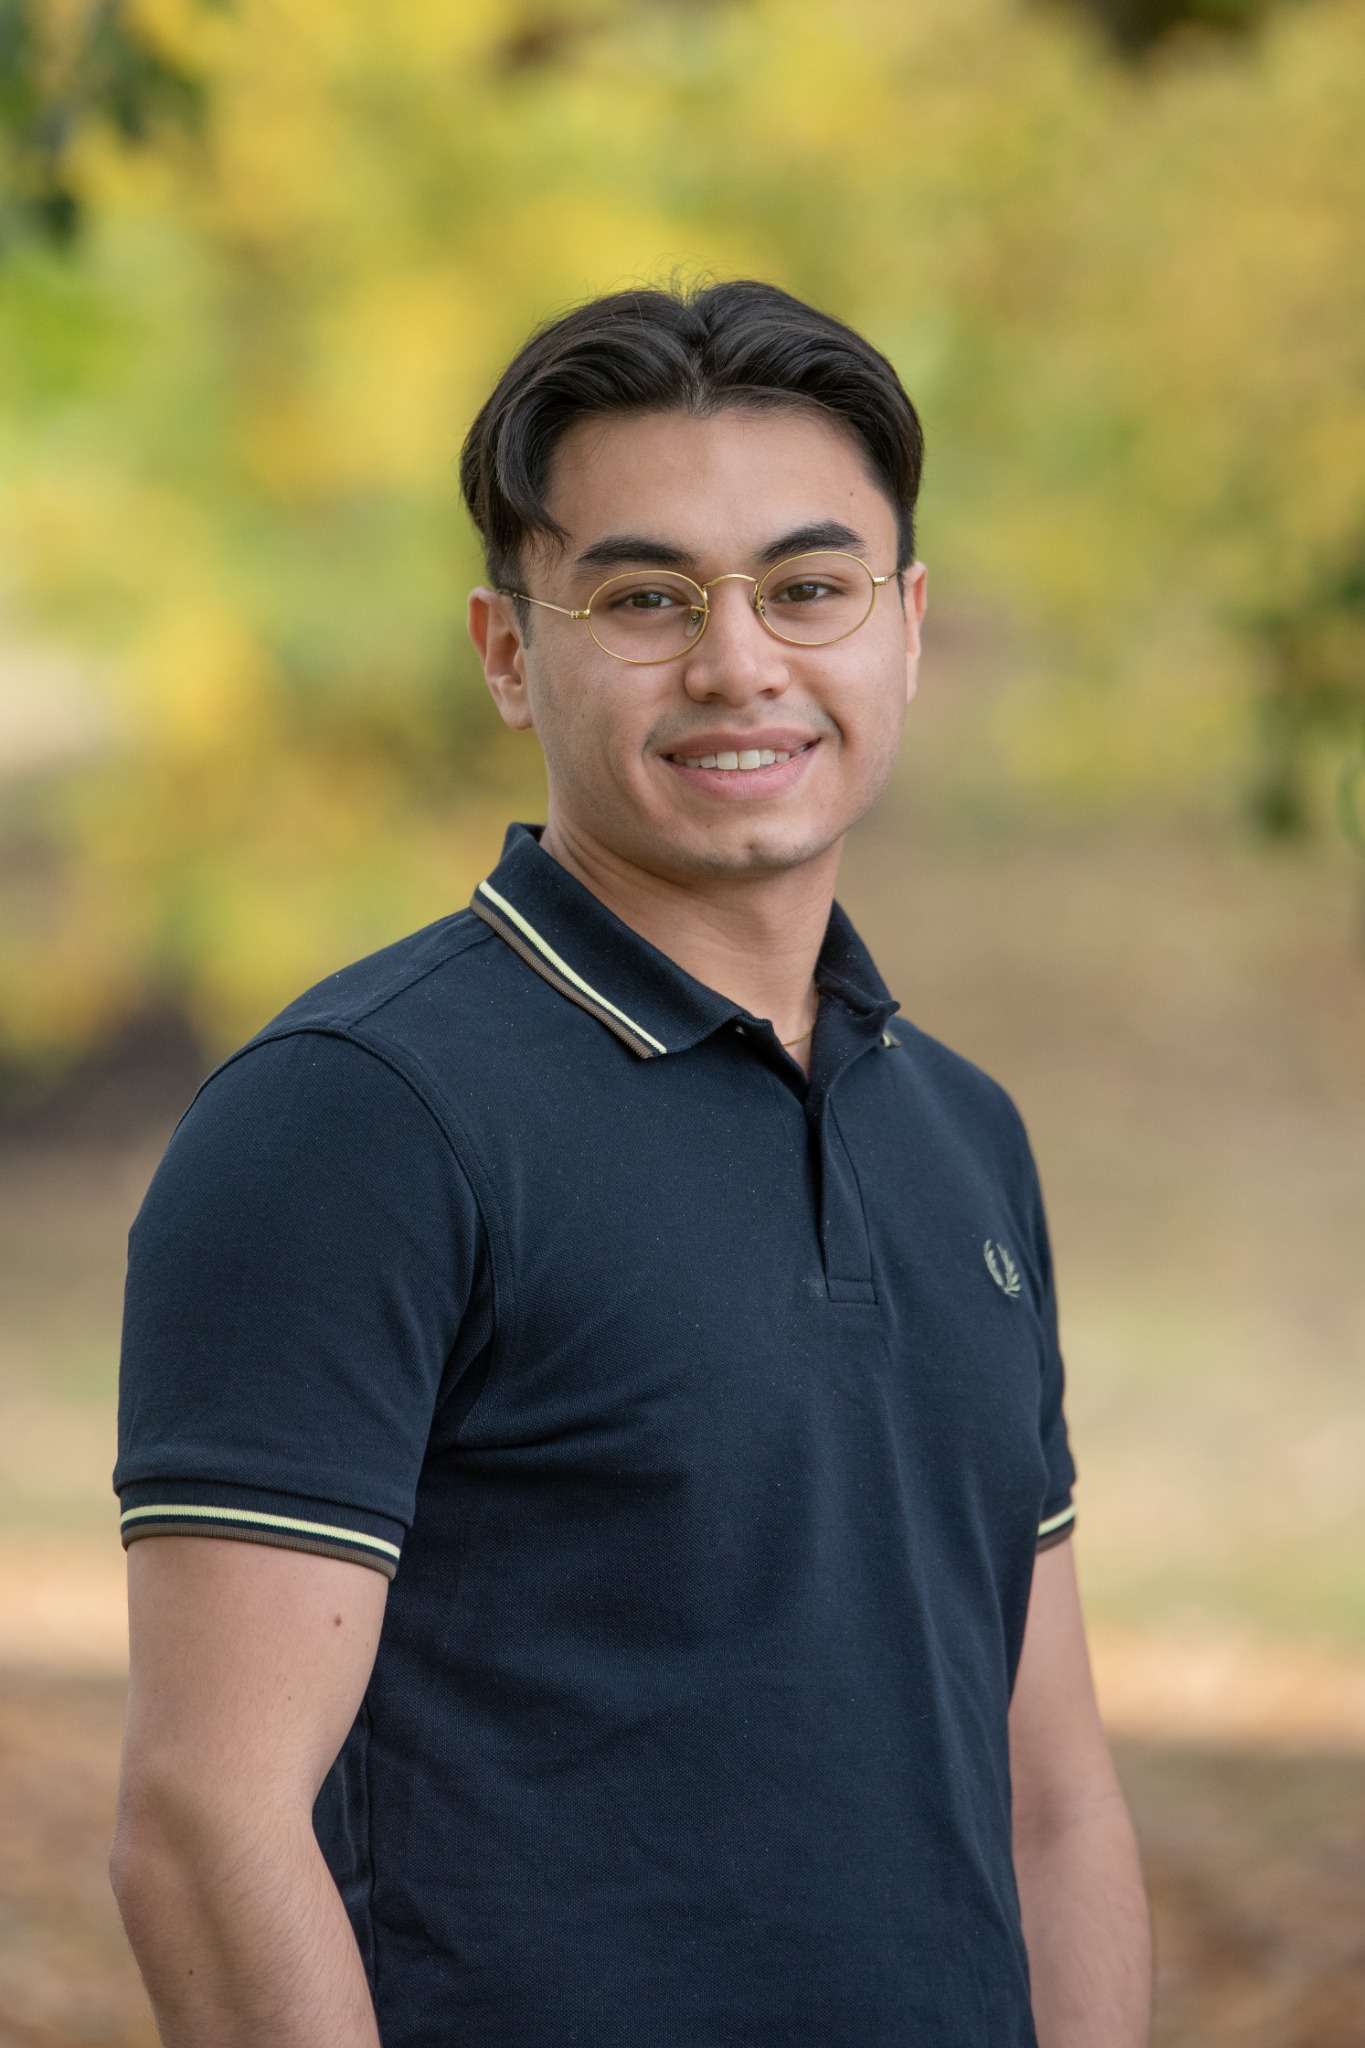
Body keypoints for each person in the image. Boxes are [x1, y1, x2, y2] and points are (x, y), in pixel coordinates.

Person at [109, 277, 1153, 2047]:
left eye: (807, 589)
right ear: (511, 652)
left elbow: (1046, 1792)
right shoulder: (353, 1118)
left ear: (903, 627)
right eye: (645, 597)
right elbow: (204, 1824)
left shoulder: (960, 1134)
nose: (739, 661)